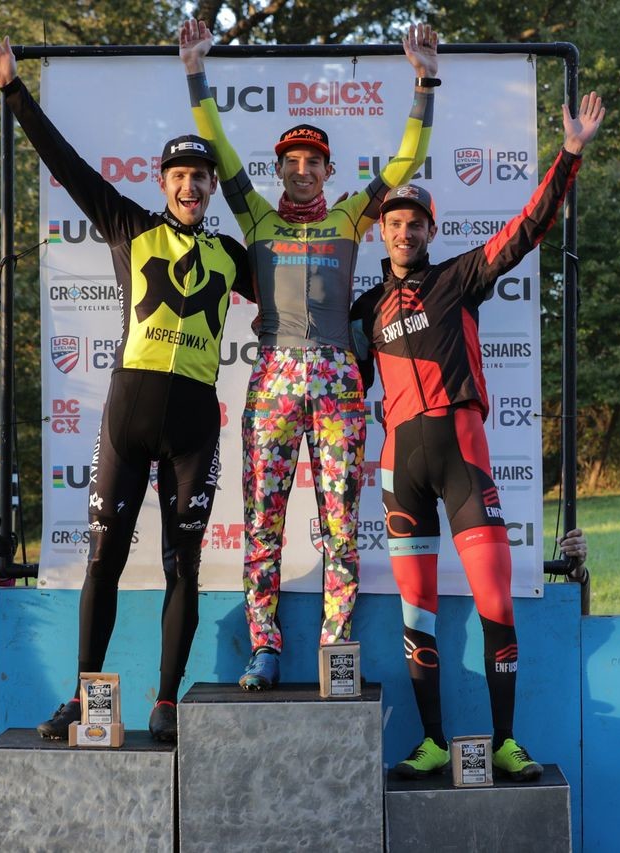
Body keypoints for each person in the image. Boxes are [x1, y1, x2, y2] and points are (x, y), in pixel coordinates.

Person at [0, 30, 255, 741]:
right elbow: (65, 164)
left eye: (202, 176)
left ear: (214, 187)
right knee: (106, 557)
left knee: (184, 563)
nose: (190, 185)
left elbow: (302, 293)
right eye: (179, 175)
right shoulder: (128, 224)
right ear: (164, 184)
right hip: (127, 414)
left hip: (194, 423)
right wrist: (11, 87)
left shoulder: (232, 254)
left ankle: (165, 699)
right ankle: (86, 696)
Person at [348, 92, 606, 779]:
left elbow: (527, 227)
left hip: (464, 458)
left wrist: (571, 153)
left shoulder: (459, 278)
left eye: (415, 222)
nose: (404, 231)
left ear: (430, 231)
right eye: (394, 221)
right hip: (400, 464)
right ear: (382, 232)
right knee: (418, 613)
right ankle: (433, 740)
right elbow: (319, 350)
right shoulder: (365, 309)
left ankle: (505, 741)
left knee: (495, 600)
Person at [178, 19, 439, 690]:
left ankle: (336, 651)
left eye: (312, 162)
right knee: (261, 525)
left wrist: (424, 81)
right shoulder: (257, 219)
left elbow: (406, 164)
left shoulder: (352, 215)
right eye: (290, 163)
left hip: (338, 387)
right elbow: (219, 149)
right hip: (272, 383)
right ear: (280, 170)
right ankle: (265, 650)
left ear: (326, 169)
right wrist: (195, 72)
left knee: (340, 528)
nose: (300, 172)